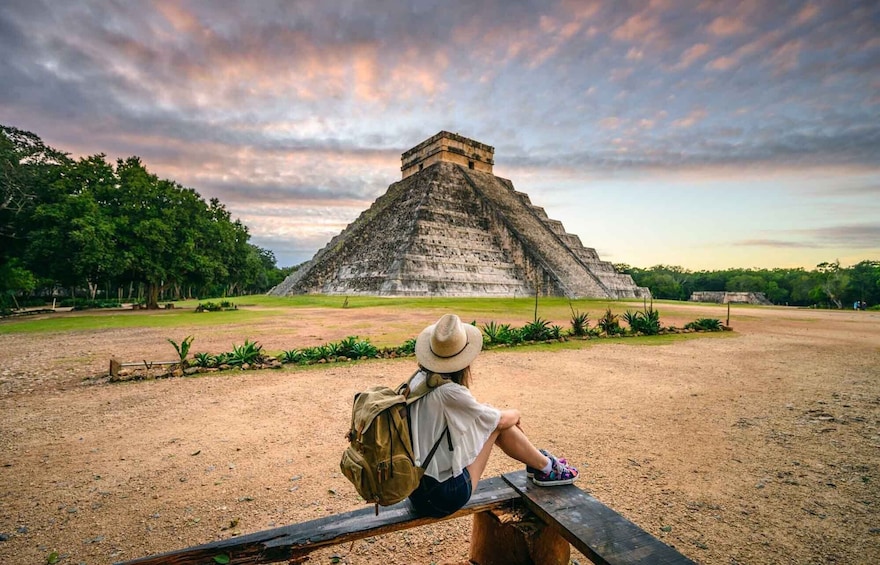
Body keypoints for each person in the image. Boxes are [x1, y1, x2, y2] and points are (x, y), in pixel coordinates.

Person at [407, 313, 578, 518]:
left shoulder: (418, 380)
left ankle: (542, 465)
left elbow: (478, 416)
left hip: (415, 489)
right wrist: (516, 413)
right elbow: (497, 421)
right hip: (441, 497)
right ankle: (547, 468)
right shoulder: (449, 392)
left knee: (494, 421)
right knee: (498, 425)